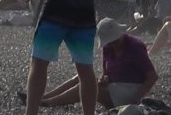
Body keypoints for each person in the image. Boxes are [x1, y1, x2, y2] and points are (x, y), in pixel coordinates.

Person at [22, 18, 156, 109]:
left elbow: (152, 76)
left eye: (114, 40)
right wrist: (105, 78)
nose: (112, 43)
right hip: (114, 86)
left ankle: (48, 103)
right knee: (81, 77)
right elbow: (107, 72)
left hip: (131, 90)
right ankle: (43, 97)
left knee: (87, 85)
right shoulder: (109, 47)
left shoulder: (135, 47)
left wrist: (138, 97)